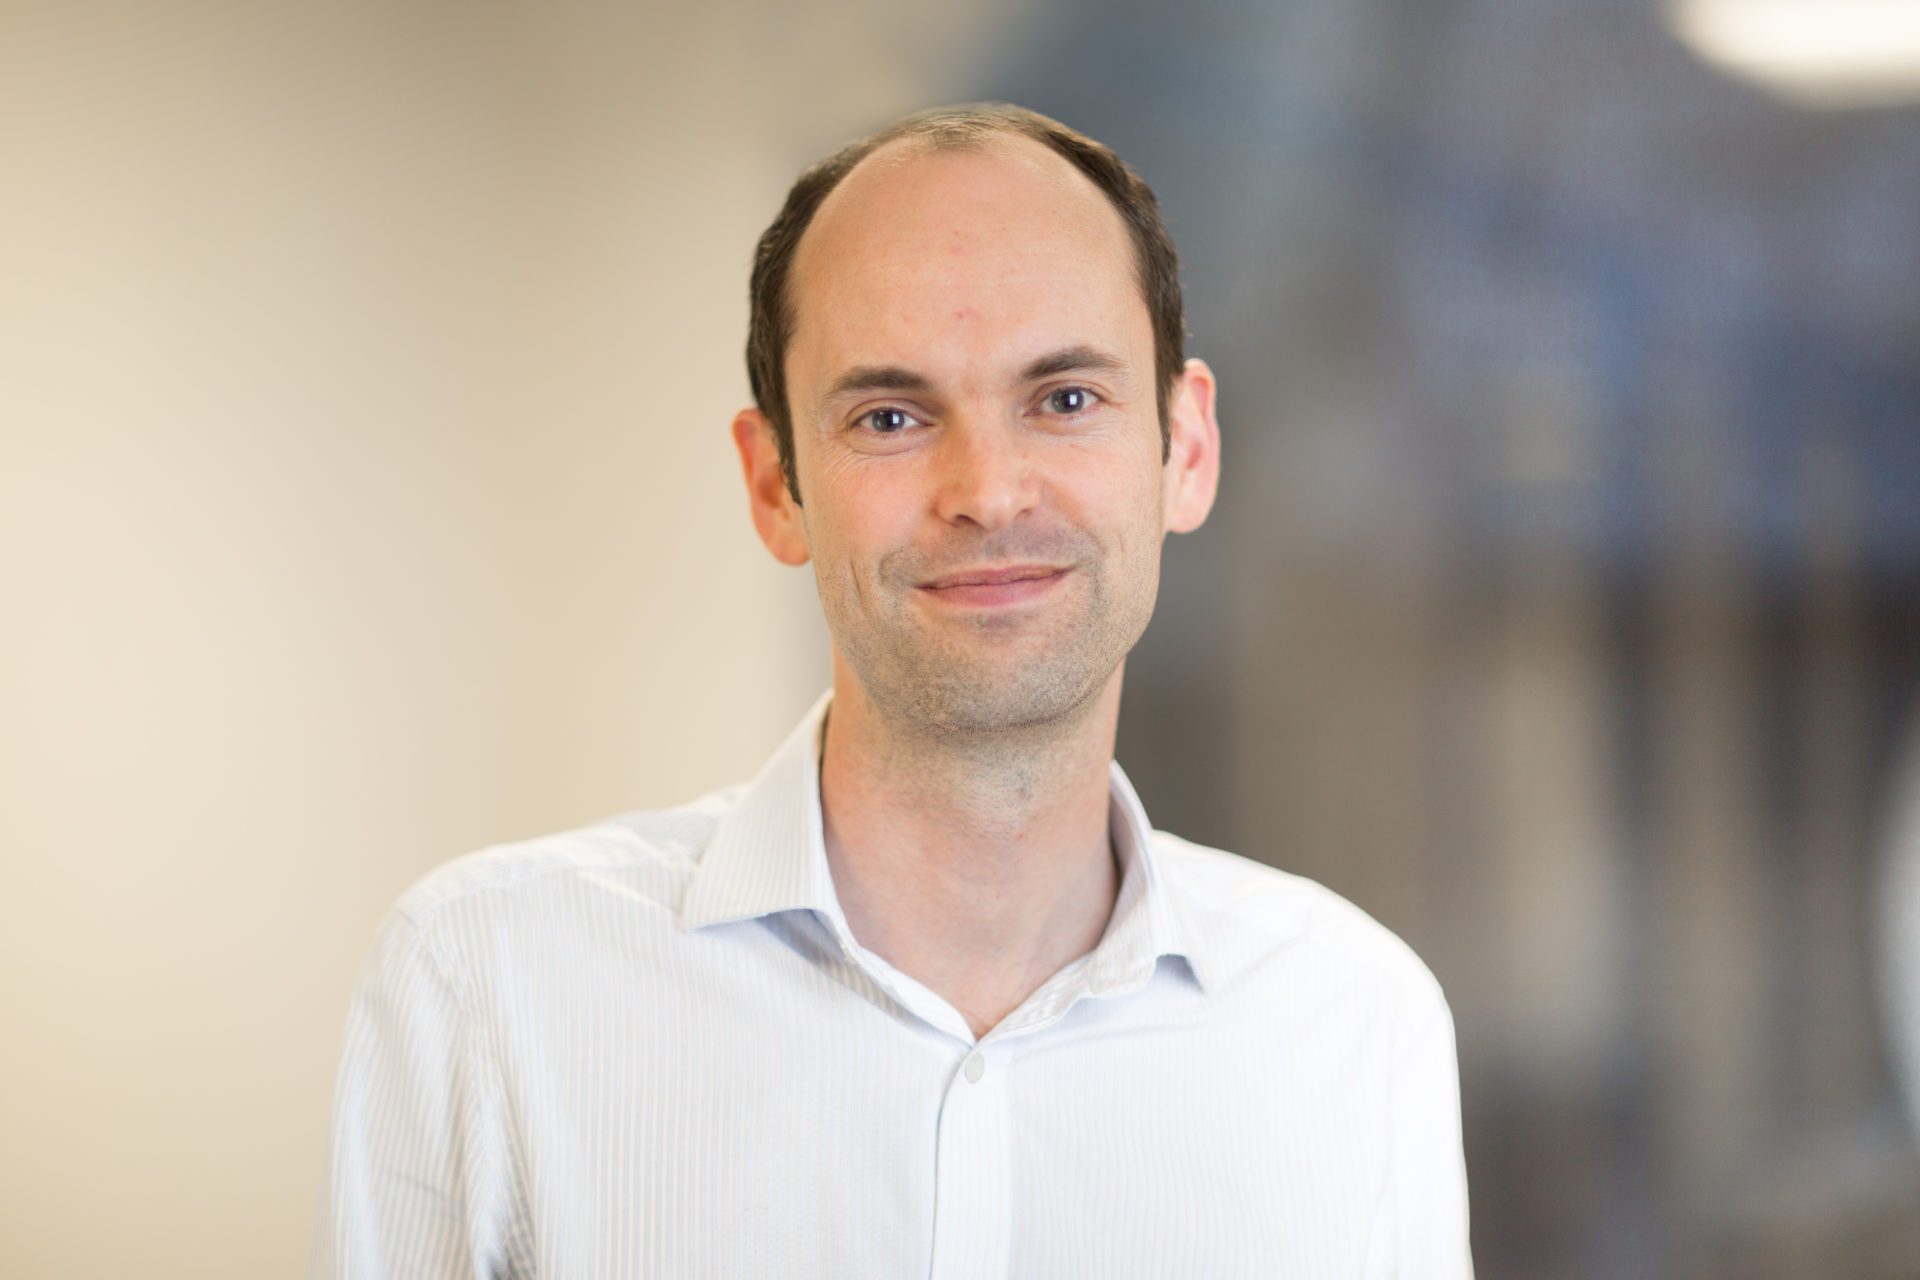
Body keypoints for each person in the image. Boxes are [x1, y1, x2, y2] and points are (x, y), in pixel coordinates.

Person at [311, 103, 1472, 1279]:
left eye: (1065, 398)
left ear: (1186, 449)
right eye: (892, 416)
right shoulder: (486, 986)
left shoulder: (1357, 1023)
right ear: (776, 486)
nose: (990, 490)